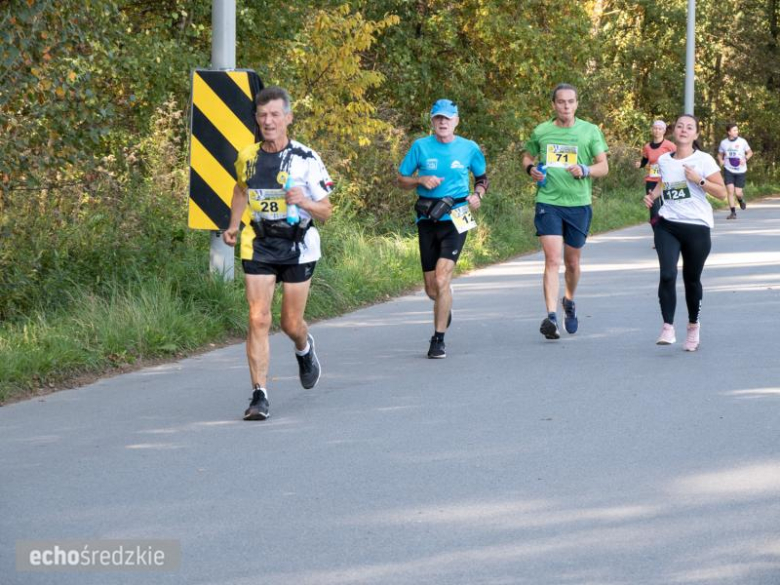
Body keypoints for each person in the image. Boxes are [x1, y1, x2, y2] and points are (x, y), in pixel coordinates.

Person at [223, 86, 334, 421]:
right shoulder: (248, 157)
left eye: (274, 115)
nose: (268, 122)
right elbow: (241, 189)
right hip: (258, 243)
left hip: (298, 246)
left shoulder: (306, 159)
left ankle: (304, 347)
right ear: (256, 120)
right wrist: (232, 224)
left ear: (288, 118)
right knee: (258, 317)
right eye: (262, 116)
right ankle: (260, 394)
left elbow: (326, 211)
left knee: (290, 322)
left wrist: (305, 202)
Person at [398, 99, 488, 359]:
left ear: (456, 121)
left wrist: (477, 195)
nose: (443, 122)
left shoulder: (469, 148)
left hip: (458, 215)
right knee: (431, 289)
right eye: (438, 118)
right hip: (427, 218)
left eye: (448, 118)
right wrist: (419, 179)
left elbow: (482, 179)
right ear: (432, 121)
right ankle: (444, 303)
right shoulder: (420, 147)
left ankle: (438, 340)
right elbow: (401, 179)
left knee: (441, 277)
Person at [521, 83, 609, 340]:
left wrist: (586, 170)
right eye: (561, 102)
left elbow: (603, 167)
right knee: (552, 260)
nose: (566, 106)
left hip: (578, 204)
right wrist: (531, 170)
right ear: (554, 104)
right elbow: (527, 157)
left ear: (577, 104)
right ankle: (551, 317)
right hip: (548, 202)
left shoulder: (589, 131)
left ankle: (568, 300)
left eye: (571, 102)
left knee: (572, 262)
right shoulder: (542, 131)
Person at [644, 114, 727, 351]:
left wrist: (699, 180)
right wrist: (652, 196)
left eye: (689, 127)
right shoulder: (664, 160)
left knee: (691, 280)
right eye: (680, 126)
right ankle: (668, 327)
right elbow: (664, 184)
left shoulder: (704, 160)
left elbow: (721, 193)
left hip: (697, 227)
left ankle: (693, 326)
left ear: (696, 134)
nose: (683, 130)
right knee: (668, 274)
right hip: (667, 224)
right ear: (673, 131)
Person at [635, 120, 676, 228]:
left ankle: (667, 234)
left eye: (660, 128)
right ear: (652, 130)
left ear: (664, 131)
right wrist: (640, 164)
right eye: (655, 128)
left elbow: (677, 159)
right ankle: (657, 236)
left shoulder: (670, 146)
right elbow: (644, 160)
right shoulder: (647, 147)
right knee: (654, 210)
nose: (657, 131)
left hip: (666, 181)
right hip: (651, 181)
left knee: (666, 208)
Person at [717, 123, 753, 219]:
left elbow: (750, 152)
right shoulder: (723, 143)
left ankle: (740, 200)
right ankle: (733, 213)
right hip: (728, 169)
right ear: (729, 132)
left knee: (738, 193)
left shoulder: (742, 142)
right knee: (730, 190)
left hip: (741, 170)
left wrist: (745, 158)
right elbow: (720, 154)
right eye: (734, 130)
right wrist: (721, 160)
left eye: (737, 130)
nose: (737, 132)